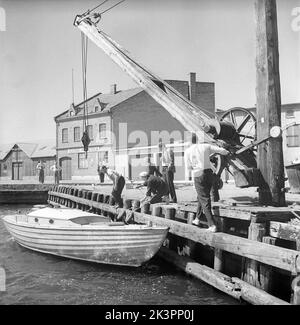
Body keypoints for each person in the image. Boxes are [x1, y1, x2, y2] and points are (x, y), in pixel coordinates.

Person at [184, 134, 229, 232]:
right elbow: (222, 151)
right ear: (197, 139)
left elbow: (188, 167)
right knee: (203, 196)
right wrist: (226, 152)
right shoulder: (205, 146)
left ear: (189, 141)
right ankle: (197, 218)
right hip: (209, 173)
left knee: (204, 199)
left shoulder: (187, 151)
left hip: (198, 174)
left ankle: (212, 225)